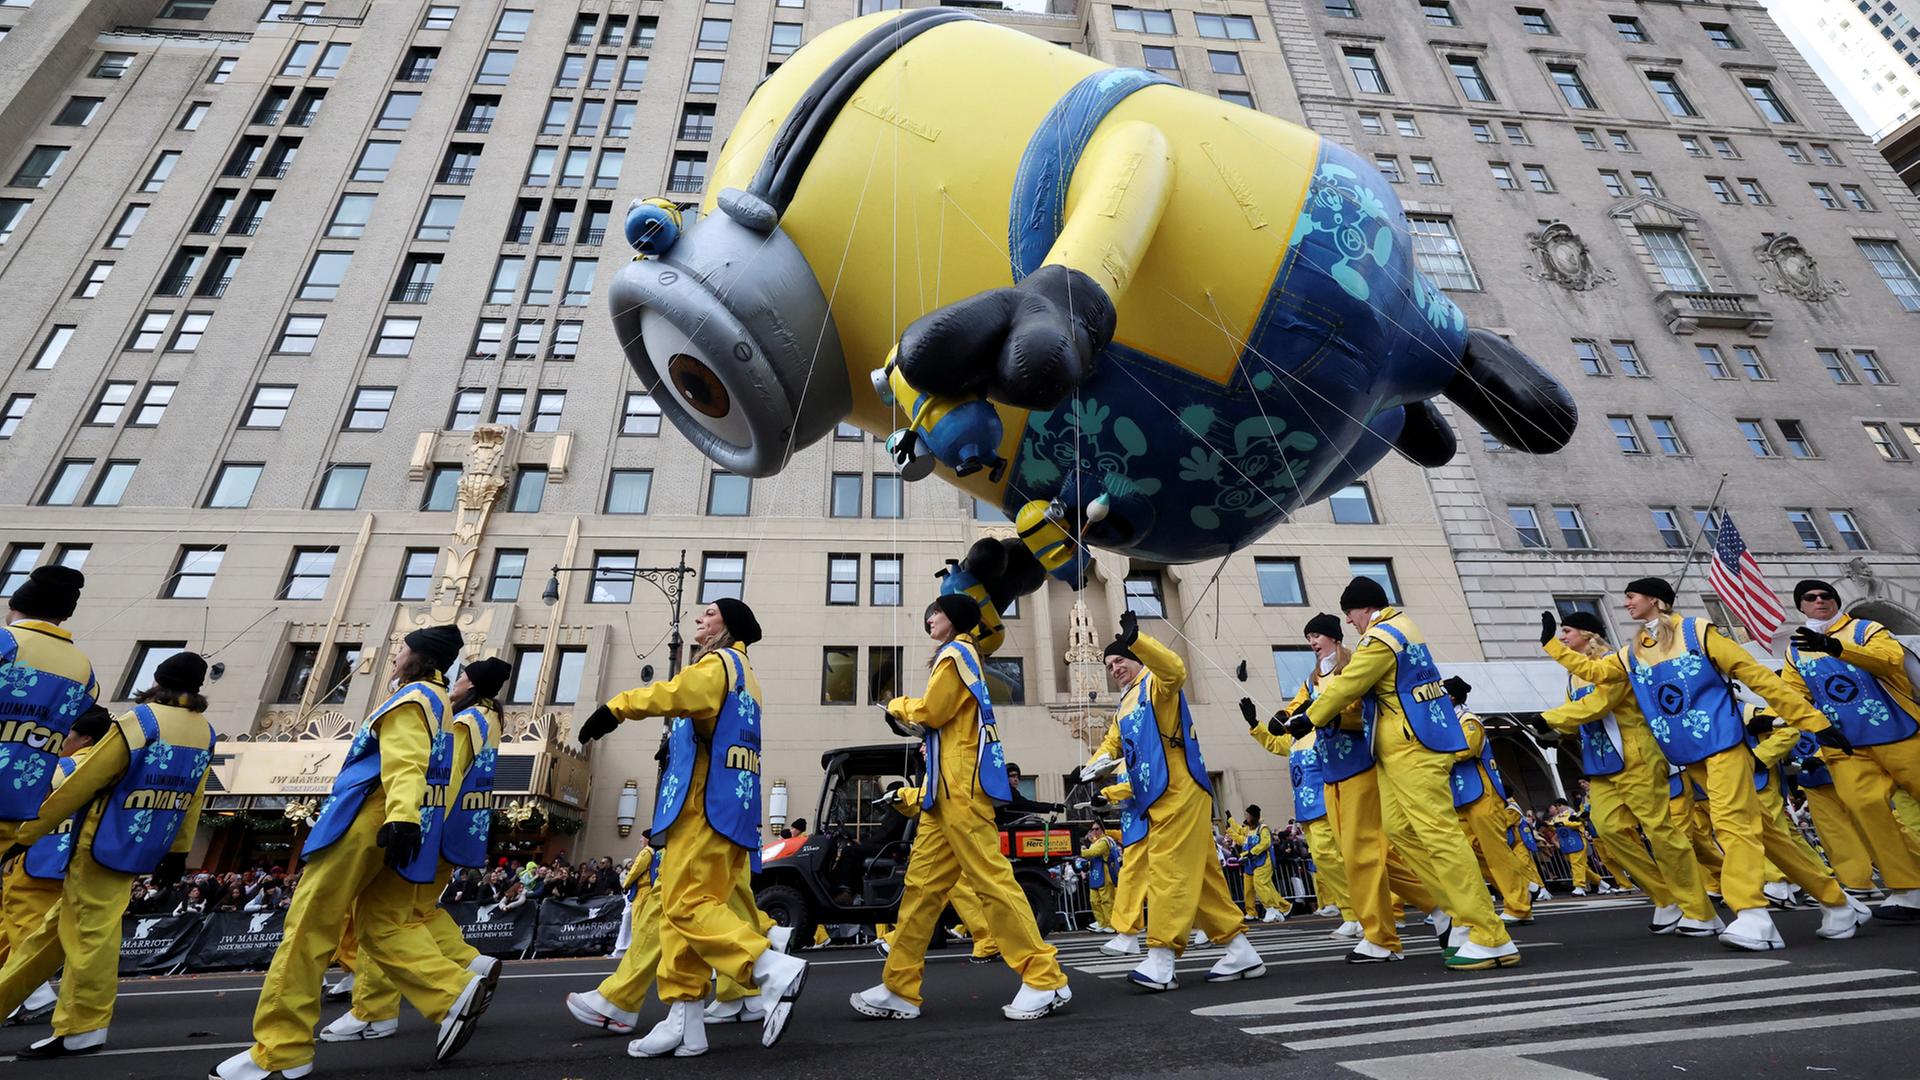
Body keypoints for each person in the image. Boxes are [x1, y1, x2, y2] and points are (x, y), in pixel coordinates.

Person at [215, 626, 497, 1080]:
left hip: (368, 820)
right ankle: (454, 992)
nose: (394, 655)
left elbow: (406, 762)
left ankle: (280, 1050)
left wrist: (401, 815)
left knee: (308, 929)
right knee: (382, 924)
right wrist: (410, 820)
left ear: (420, 657)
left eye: (401, 648)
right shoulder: (442, 705)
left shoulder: (412, 698)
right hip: (405, 827)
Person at [1540, 578, 1867, 950]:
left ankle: (1753, 915)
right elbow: (1598, 673)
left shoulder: (1697, 631)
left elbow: (1756, 676)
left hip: (1724, 744)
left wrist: (1813, 721)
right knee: (1767, 834)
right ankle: (1837, 902)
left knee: (1731, 825)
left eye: (1632, 596)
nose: (1626, 603)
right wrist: (1551, 644)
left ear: (1655, 600)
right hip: (1686, 752)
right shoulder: (1636, 649)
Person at [576, 598, 806, 1057]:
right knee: (688, 917)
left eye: (709, 614)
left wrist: (616, 708)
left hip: (701, 809)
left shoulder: (717, 665)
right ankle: (687, 1022)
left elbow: (673, 695)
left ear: (727, 625)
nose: (699, 619)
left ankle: (769, 967)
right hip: (728, 810)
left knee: (684, 906)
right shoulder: (745, 675)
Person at [851, 594, 1070, 1021]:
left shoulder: (955, 655)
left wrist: (897, 705)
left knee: (991, 882)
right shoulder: (959, 656)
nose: (928, 619)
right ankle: (899, 986)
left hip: (960, 789)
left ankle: (1045, 979)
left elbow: (932, 711)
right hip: (943, 791)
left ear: (953, 618)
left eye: (934, 612)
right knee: (921, 890)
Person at [1295, 578, 1519, 970]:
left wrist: (1309, 717)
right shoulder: (1400, 629)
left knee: (1440, 836)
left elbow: (1349, 684)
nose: (1349, 622)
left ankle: (1490, 933)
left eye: (1349, 613)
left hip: (1411, 748)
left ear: (1363, 608)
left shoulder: (1382, 637)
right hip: (1398, 750)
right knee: (1399, 830)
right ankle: (1455, 915)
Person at [0, 652, 214, 1056]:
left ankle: (83, 1028)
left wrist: (25, 836)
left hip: (98, 843)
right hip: (136, 848)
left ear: (157, 680)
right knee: (50, 937)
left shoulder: (142, 721)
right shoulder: (205, 731)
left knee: (91, 937)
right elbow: (194, 799)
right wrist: (179, 851)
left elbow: (81, 784)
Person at [320, 657, 513, 1044]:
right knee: (415, 913)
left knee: (383, 918)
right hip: (451, 834)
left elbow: (445, 775)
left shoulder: (466, 720)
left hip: (430, 831)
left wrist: (414, 821)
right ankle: (469, 963)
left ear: (472, 685)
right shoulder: (489, 720)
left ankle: (376, 1011)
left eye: (461, 677)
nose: (454, 682)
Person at [1075, 612, 1265, 990]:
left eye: (1120, 661)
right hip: (1156, 798)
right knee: (1204, 880)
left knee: (1167, 873)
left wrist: (1138, 639)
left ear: (1136, 659)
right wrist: (1092, 770)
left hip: (1179, 790)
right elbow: (1111, 744)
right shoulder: (1125, 703)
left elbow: (1176, 670)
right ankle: (1240, 951)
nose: (1115, 669)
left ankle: (1161, 959)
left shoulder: (1156, 685)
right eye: (1110, 664)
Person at [1538, 609, 1721, 935]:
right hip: (1602, 766)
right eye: (1561, 633)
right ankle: (1665, 897)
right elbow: (1582, 718)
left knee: (1660, 833)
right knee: (1607, 831)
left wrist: (1550, 719)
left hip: (1636, 759)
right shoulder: (1572, 676)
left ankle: (1700, 910)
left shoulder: (1614, 662)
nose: (1563, 637)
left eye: (1567, 631)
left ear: (1588, 634)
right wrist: (1554, 730)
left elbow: (1598, 705)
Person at [1259, 613, 1431, 960]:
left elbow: (1359, 707)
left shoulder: (1351, 664)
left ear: (1335, 638)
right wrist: (1281, 719)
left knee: (1367, 854)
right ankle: (1437, 907)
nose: (1312, 642)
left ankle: (1389, 932)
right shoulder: (1312, 678)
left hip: (1359, 765)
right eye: (1309, 637)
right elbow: (1298, 708)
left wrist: (1328, 714)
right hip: (1331, 771)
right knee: (1358, 857)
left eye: (1317, 636)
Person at [1778, 579, 1920, 920]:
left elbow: (1889, 661)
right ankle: (1908, 889)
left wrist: (1834, 646)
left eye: (1826, 595)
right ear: (1801, 606)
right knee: (1867, 809)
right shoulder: (1796, 648)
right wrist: (1773, 721)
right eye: (1810, 598)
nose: (1819, 601)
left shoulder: (1866, 629)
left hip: (1899, 731)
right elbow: (1791, 694)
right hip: (1846, 745)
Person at [0, 705, 111, 1023]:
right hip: (68, 860)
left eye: (68, 734)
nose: (61, 739)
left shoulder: (69, 765)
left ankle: (35, 994)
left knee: (23, 927)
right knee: (13, 930)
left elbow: (30, 781)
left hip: (40, 857)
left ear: (85, 738)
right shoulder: (108, 764)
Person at [0, 566, 98, 859]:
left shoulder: (6, 641)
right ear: (65, 615)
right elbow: (82, 708)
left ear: (15, 605)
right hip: (18, 800)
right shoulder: (83, 668)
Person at [1440, 678, 1536, 926]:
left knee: (1496, 851)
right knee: (1469, 852)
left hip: (1482, 795)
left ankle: (1519, 906)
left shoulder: (1469, 721)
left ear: (1450, 698)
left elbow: (1464, 751)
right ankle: (1520, 888)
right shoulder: (1447, 723)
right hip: (1461, 797)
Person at [1237, 806, 1289, 923]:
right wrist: (1230, 821)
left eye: (1249, 815)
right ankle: (1278, 909)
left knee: (1260, 884)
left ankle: (1272, 909)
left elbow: (1265, 843)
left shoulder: (1262, 828)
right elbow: (1242, 837)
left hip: (1264, 861)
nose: (1247, 818)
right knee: (1265, 887)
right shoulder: (1248, 830)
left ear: (1254, 816)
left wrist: (1251, 853)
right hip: (1254, 862)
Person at [1081, 820, 1119, 933]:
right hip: (1096, 873)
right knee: (1094, 900)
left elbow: (1094, 852)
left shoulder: (1104, 841)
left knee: (1106, 900)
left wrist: (1078, 852)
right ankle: (1101, 922)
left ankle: (1111, 924)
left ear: (1102, 829)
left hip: (1105, 873)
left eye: (1097, 829)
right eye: (1092, 829)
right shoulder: (1097, 841)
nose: (1094, 831)